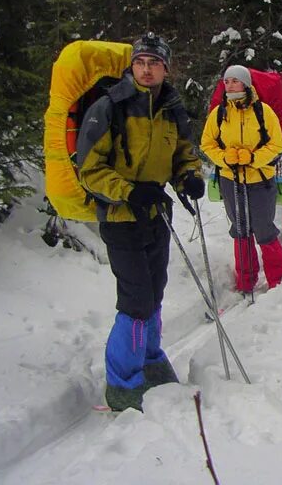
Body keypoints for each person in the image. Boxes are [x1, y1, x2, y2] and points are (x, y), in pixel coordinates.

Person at [77, 32, 204, 412]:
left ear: (166, 68)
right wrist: (129, 191)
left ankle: (150, 360)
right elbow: (89, 169)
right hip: (120, 216)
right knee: (135, 301)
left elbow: (183, 152)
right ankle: (122, 382)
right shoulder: (109, 107)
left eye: (154, 63)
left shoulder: (171, 106)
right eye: (140, 62)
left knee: (156, 292)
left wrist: (190, 176)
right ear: (132, 66)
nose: (147, 70)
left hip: (155, 214)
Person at [200, 65, 282, 293]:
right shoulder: (218, 113)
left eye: (234, 81)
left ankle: (278, 279)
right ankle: (245, 281)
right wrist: (224, 158)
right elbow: (207, 144)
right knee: (240, 229)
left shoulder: (263, 111)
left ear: (245, 83)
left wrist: (253, 157)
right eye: (226, 81)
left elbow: (277, 144)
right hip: (231, 179)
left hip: (260, 178)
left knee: (264, 227)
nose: (229, 85)